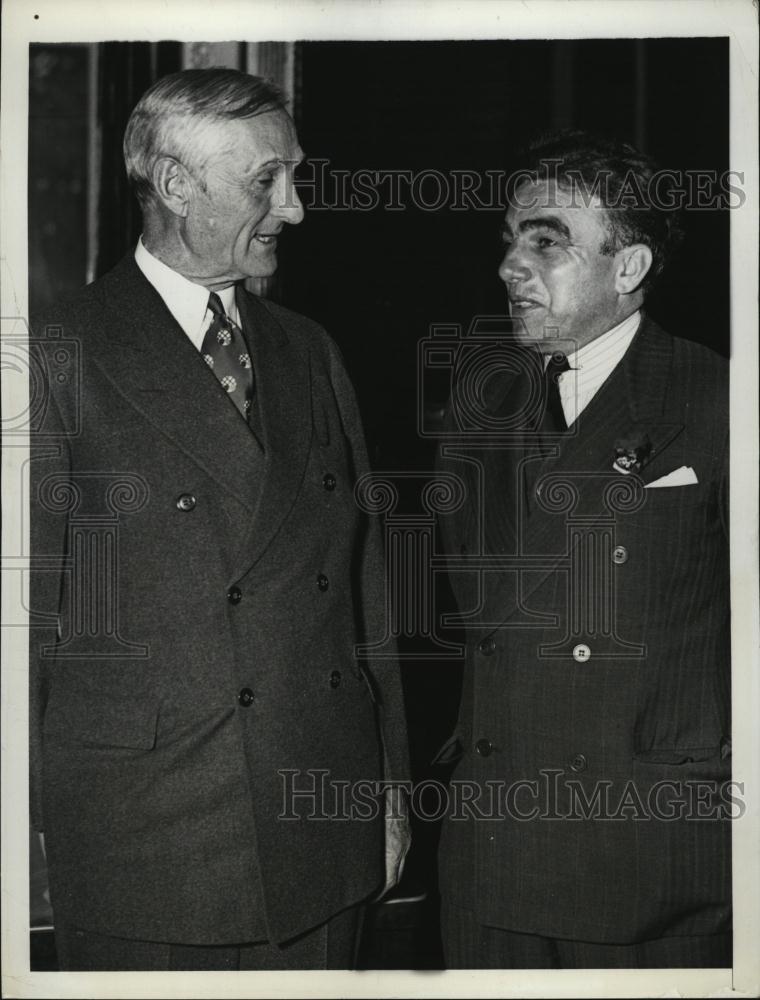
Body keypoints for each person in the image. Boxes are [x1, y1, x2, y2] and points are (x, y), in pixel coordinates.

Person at [29, 68, 409, 971]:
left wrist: (389, 791)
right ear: (174, 184)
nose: (297, 208)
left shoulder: (308, 351)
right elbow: (25, 629)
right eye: (265, 181)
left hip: (324, 828)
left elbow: (366, 597)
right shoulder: (55, 355)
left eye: (296, 176)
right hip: (147, 847)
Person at [436, 131, 730, 968]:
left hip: (650, 865)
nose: (509, 266)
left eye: (546, 242)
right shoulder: (475, 409)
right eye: (509, 241)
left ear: (628, 268)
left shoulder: (717, 400)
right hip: (492, 864)